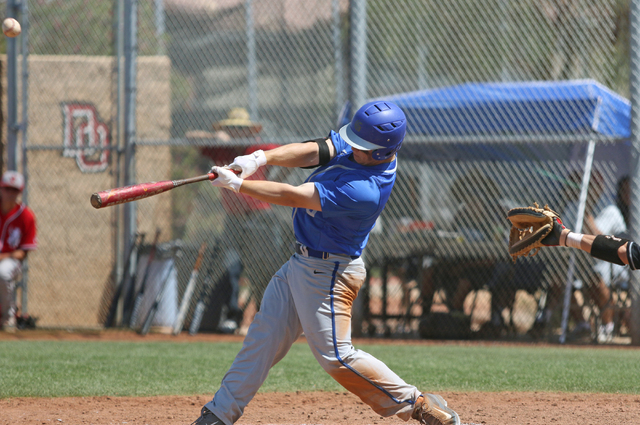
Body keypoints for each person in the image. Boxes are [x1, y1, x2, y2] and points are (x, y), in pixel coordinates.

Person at [191, 101, 461, 425]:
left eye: (361, 147)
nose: (352, 148)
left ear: (380, 152)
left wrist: (239, 185)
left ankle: (418, 405)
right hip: (302, 262)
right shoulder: (371, 145)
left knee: (337, 358)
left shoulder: (364, 190)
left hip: (329, 274)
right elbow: (314, 151)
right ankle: (219, 414)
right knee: (264, 337)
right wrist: (260, 158)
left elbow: (293, 195)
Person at [189, 108, 289, 333]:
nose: (236, 133)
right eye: (232, 129)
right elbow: (190, 135)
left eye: (240, 129)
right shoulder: (222, 150)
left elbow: (286, 156)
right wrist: (216, 138)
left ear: (249, 131)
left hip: (260, 216)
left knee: (261, 266)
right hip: (233, 218)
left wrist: (275, 185)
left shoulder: (257, 150)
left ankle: (268, 315)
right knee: (232, 265)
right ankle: (233, 316)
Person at [0, 171, 37, 332]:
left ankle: (8, 317)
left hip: (12, 262)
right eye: (7, 189)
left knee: (2, 272)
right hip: (9, 255)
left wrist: (5, 256)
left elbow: (22, 252)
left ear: (20, 191)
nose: (10, 193)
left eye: (14, 190)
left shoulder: (26, 216)